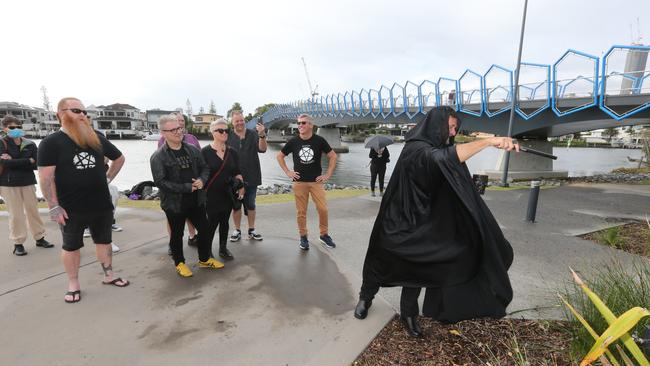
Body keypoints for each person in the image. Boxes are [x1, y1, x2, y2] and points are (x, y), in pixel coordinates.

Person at [354, 106, 517, 338]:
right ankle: (365, 298)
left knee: (418, 267)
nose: (452, 133)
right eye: (450, 127)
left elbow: (449, 175)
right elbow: (439, 160)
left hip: (423, 222)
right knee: (379, 262)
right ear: (436, 124)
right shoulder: (416, 148)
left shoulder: (441, 147)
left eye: (455, 128)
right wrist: (489, 142)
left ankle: (408, 313)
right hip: (396, 221)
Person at [38, 97, 129, 303]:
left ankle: (109, 275)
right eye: (76, 111)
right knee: (71, 246)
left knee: (104, 241)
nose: (82, 115)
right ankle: (73, 284)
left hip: (101, 204)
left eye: (84, 112)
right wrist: (53, 206)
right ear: (61, 113)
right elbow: (45, 177)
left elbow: (119, 158)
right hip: (70, 207)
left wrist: (107, 179)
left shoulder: (95, 137)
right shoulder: (51, 143)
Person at [150, 114, 224, 277]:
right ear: (163, 132)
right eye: (173, 129)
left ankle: (204, 259)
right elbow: (161, 182)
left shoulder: (192, 150)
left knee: (204, 230)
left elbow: (205, 168)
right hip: (174, 203)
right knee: (177, 234)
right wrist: (187, 187)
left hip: (196, 200)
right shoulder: (158, 157)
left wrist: (201, 181)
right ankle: (180, 263)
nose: (178, 132)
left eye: (179, 128)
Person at [276, 113, 337, 251]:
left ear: (311, 125)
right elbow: (279, 156)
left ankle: (324, 235)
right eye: (299, 123)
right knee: (301, 212)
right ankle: (303, 237)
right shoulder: (293, 141)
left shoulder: (319, 140)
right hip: (299, 182)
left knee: (323, 209)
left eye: (303, 123)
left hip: (316, 182)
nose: (300, 125)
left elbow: (333, 156)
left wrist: (328, 174)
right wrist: (288, 172)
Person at [0, 116, 54, 256]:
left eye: (18, 126)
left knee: (33, 211)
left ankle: (40, 238)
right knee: (16, 214)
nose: (16, 129)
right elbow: (5, 164)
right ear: (4, 128)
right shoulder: (1, 143)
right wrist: (26, 160)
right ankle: (18, 243)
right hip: (8, 184)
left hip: (28, 182)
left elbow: (36, 163)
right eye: (12, 127)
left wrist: (15, 161)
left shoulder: (29, 143)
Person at [202, 119, 244, 261]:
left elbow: (237, 171)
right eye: (220, 130)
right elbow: (200, 175)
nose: (224, 133)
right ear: (212, 133)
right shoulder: (204, 152)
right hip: (211, 195)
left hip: (228, 194)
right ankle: (207, 252)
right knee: (211, 224)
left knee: (225, 222)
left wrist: (241, 186)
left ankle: (223, 248)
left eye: (227, 130)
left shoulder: (232, 152)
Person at [158, 112, 199, 249]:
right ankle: (173, 246)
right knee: (174, 224)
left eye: (181, 122)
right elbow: (162, 171)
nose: (180, 124)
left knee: (195, 218)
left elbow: (200, 160)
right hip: (174, 194)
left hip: (193, 190)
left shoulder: (192, 139)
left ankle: (193, 236)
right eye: (177, 121)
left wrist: (200, 179)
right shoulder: (162, 144)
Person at [226, 111, 266, 242]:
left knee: (251, 204)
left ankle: (252, 229)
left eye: (241, 120)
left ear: (244, 121)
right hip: (234, 178)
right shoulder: (228, 136)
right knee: (236, 205)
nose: (239, 123)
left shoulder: (253, 134)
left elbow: (263, 149)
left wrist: (262, 135)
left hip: (252, 175)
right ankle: (237, 230)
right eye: (236, 121)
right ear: (232, 123)